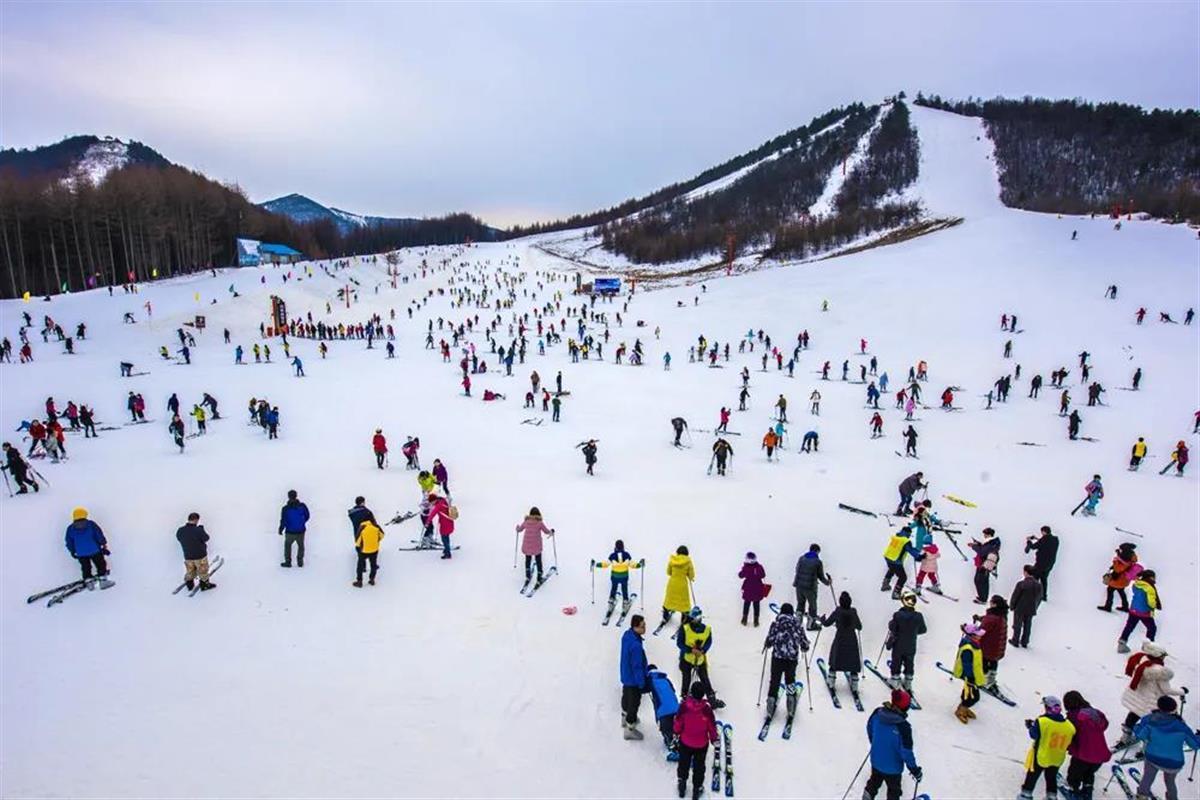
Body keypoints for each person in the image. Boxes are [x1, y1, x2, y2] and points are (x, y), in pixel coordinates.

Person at [1117, 641, 1184, 747]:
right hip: (1151, 702)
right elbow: (1167, 690)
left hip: (1138, 697)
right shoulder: (1160, 672)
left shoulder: (1140, 660)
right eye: (1163, 656)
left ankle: (1125, 738)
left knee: (1132, 716)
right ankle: (1145, 748)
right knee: (1150, 725)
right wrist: (1182, 691)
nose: (1164, 658)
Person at [1133, 696, 1200, 800]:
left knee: (1147, 777)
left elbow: (1140, 735)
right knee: (1170, 782)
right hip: (1174, 762)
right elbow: (1195, 745)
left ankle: (1142, 795)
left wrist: (1137, 727)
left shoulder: (1150, 719)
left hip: (1152, 757)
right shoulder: (1181, 726)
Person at [864, 689, 922, 800]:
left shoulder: (877, 713)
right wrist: (914, 770)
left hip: (876, 760)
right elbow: (906, 752)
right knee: (894, 791)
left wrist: (875, 743)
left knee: (873, 783)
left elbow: (870, 727)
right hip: (893, 768)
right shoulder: (903, 727)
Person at [1018, 695, 1075, 800]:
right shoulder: (1069, 726)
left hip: (1042, 754)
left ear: (1047, 707)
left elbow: (1034, 735)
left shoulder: (1042, 721)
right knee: (1051, 777)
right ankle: (1051, 797)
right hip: (1057, 757)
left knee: (1032, 775)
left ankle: (1025, 795)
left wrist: (1031, 726)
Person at [762, 603, 808, 727]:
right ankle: (791, 706)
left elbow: (770, 640)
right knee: (790, 680)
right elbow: (804, 642)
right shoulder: (798, 625)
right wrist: (804, 647)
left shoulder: (776, 624)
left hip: (777, 657)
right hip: (791, 659)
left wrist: (768, 644)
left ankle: (770, 707)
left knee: (775, 681)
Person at [673, 682, 719, 800]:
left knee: (684, 763)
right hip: (701, 744)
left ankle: (682, 784)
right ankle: (696, 789)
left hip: (685, 742)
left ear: (691, 692)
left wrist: (677, 732)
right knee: (699, 767)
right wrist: (714, 739)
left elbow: (678, 722)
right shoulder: (706, 710)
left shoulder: (684, 706)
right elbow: (712, 727)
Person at [1062, 690, 1111, 800]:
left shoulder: (1073, 717)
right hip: (1100, 753)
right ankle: (1087, 789)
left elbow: (1068, 733)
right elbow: (1105, 724)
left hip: (1083, 754)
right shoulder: (1095, 713)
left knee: (1075, 773)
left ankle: (1072, 788)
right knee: (1089, 773)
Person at [675, 608, 722, 708]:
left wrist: (702, 650)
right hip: (687, 659)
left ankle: (711, 699)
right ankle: (684, 699)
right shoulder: (685, 628)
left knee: (705, 679)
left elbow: (709, 642)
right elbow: (680, 643)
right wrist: (691, 650)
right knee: (686, 680)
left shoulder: (706, 630)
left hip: (699, 660)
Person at [820, 591, 862, 695]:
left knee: (835, 659)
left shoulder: (838, 611)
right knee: (853, 661)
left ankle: (831, 681)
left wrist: (822, 619)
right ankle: (855, 684)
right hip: (852, 639)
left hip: (840, 638)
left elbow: (826, 624)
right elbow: (859, 626)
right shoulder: (853, 612)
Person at [886, 590, 926, 693]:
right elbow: (923, 630)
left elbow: (892, 627)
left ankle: (895, 679)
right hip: (911, 643)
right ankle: (908, 682)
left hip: (899, 643)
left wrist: (891, 624)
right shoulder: (918, 616)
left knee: (897, 660)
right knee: (909, 661)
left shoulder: (898, 615)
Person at [619, 614, 649, 740]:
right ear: (635, 627)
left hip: (626, 675)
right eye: (642, 626)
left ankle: (624, 717)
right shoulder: (636, 646)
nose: (645, 628)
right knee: (634, 703)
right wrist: (641, 683)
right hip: (633, 680)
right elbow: (637, 666)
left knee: (626, 696)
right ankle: (630, 728)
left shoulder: (627, 635)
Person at [1117, 570, 1161, 652]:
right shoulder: (1150, 588)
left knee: (1129, 626)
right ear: (1151, 578)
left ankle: (1122, 643)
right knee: (1152, 628)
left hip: (1133, 610)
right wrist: (1154, 605)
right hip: (1145, 613)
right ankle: (1148, 646)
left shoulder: (1136, 584)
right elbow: (1151, 603)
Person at [793, 543, 831, 630]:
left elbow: (797, 569)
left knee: (800, 603)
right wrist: (828, 582)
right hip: (810, 587)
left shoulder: (801, 558)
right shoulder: (817, 562)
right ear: (817, 551)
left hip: (799, 585)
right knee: (812, 606)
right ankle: (811, 624)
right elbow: (821, 576)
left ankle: (798, 623)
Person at [64, 508, 109, 581]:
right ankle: (102, 577)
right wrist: (103, 544)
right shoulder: (91, 524)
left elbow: (69, 542)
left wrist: (72, 551)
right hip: (95, 550)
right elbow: (98, 535)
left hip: (81, 553)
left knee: (86, 567)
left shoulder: (70, 528)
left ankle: (88, 580)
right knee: (100, 563)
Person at [646, 666, 681, 759]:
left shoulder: (650, 679)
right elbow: (673, 690)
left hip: (663, 709)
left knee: (666, 729)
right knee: (676, 726)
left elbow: (643, 688)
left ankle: (672, 745)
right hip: (675, 706)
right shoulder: (666, 679)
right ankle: (680, 741)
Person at [880, 525, 923, 600]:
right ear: (908, 533)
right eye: (909, 534)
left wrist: (915, 551)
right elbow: (910, 550)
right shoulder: (905, 541)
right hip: (896, 560)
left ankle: (885, 584)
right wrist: (919, 557)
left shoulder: (897, 537)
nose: (909, 536)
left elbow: (906, 548)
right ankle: (896, 593)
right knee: (903, 577)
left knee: (891, 569)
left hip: (888, 557)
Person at [176, 512, 215, 592]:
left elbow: (179, 538)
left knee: (190, 570)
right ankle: (204, 585)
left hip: (188, 555)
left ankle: (189, 584)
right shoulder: (198, 530)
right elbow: (206, 538)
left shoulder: (180, 530)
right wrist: (201, 529)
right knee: (202, 570)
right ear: (196, 520)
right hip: (200, 555)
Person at [978, 595, 1009, 692]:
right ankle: (991, 680)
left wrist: (967, 630)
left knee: (983, 662)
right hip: (998, 648)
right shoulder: (1002, 615)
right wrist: (980, 618)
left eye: (991, 602)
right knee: (993, 663)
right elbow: (989, 621)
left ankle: (981, 679)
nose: (990, 603)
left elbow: (981, 630)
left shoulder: (992, 617)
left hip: (988, 647)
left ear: (995, 604)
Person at [599, 541, 640, 612]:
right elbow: (632, 564)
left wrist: (597, 564)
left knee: (614, 588)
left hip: (615, 576)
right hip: (624, 576)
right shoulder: (626, 555)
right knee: (624, 589)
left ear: (615, 547)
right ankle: (625, 601)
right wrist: (639, 565)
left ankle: (611, 601)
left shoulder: (612, 555)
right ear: (623, 546)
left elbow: (606, 564)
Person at [1098, 543, 1140, 612]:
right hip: (1124, 580)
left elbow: (1118, 569)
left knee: (1110, 590)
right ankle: (1125, 606)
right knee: (1121, 591)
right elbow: (1122, 561)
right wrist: (1118, 554)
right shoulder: (1131, 556)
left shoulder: (1124, 559)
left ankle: (1108, 606)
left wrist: (1115, 561)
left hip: (1118, 580)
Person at [1009, 565, 1044, 648]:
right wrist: (1035, 607)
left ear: (1026, 572)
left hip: (1020, 607)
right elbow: (1039, 598)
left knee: (1017, 624)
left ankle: (1015, 640)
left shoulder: (1021, 584)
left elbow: (1015, 596)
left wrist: (1012, 605)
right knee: (1027, 625)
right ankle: (1025, 641)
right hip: (1031, 608)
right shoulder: (1039, 585)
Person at [517, 507, 554, 582]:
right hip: (536, 546)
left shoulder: (526, 522)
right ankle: (539, 576)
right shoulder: (539, 523)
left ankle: (527, 575)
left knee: (528, 559)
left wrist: (517, 528)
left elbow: (519, 530)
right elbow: (546, 531)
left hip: (527, 546)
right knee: (538, 560)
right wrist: (551, 532)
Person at [1024, 526, 1058, 602]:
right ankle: (1044, 596)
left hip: (1040, 563)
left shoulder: (1043, 540)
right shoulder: (1055, 540)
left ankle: (1032, 595)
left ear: (1043, 532)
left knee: (1035, 578)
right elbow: (1046, 544)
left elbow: (1033, 547)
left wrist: (1029, 541)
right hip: (1050, 564)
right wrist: (1038, 539)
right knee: (1044, 579)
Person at [968, 527, 1001, 604]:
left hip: (985, 565)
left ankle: (983, 599)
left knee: (980, 581)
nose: (984, 536)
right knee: (981, 581)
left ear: (989, 534)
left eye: (985, 534)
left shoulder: (991, 543)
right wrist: (978, 544)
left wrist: (973, 546)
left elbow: (982, 552)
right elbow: (984, 548)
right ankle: (982, 597)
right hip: (983, 564)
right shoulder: (992, 542)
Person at [278, 489, 310, 568]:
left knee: (288, 546)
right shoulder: (302, 506)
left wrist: (281, 529)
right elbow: (307, 515)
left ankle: (288, 562)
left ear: (288, 497)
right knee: (301, 546)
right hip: (301, 530)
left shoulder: (285, 508)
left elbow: (283, 520)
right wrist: (302, 522)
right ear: (296, 496)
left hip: (290, 531)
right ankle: (300, 562)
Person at [352, 515, 384, 587]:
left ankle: (359, 581)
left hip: (364, 551)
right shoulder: (376, 526)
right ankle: (372, 580)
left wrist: (359, 547)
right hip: (374, 549)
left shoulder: (362, 527)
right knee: (373, 565)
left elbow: (357, 541)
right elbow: (382, 535)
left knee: (360, 565)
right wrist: (376, 540)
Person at [738, 552, 767, 626]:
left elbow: (741, 575)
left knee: (747, 603)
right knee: (756, 604)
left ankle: (744, 619)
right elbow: (763, 575)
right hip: (758, 587)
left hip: (748, 587)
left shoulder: (746, 567)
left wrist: (743, 569)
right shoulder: (759, 567)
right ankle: (756, 621)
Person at [428, 492, 455, 559]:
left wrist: (427, 522)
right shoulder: (442, 500)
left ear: (434, 500)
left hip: (445, 524)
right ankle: (446, 549)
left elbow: (432, 514)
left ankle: (448, 554)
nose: (431, 504)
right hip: (449, 522)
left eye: (431, 502)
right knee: (446, 537)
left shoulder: (438, 506)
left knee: (444, 539)